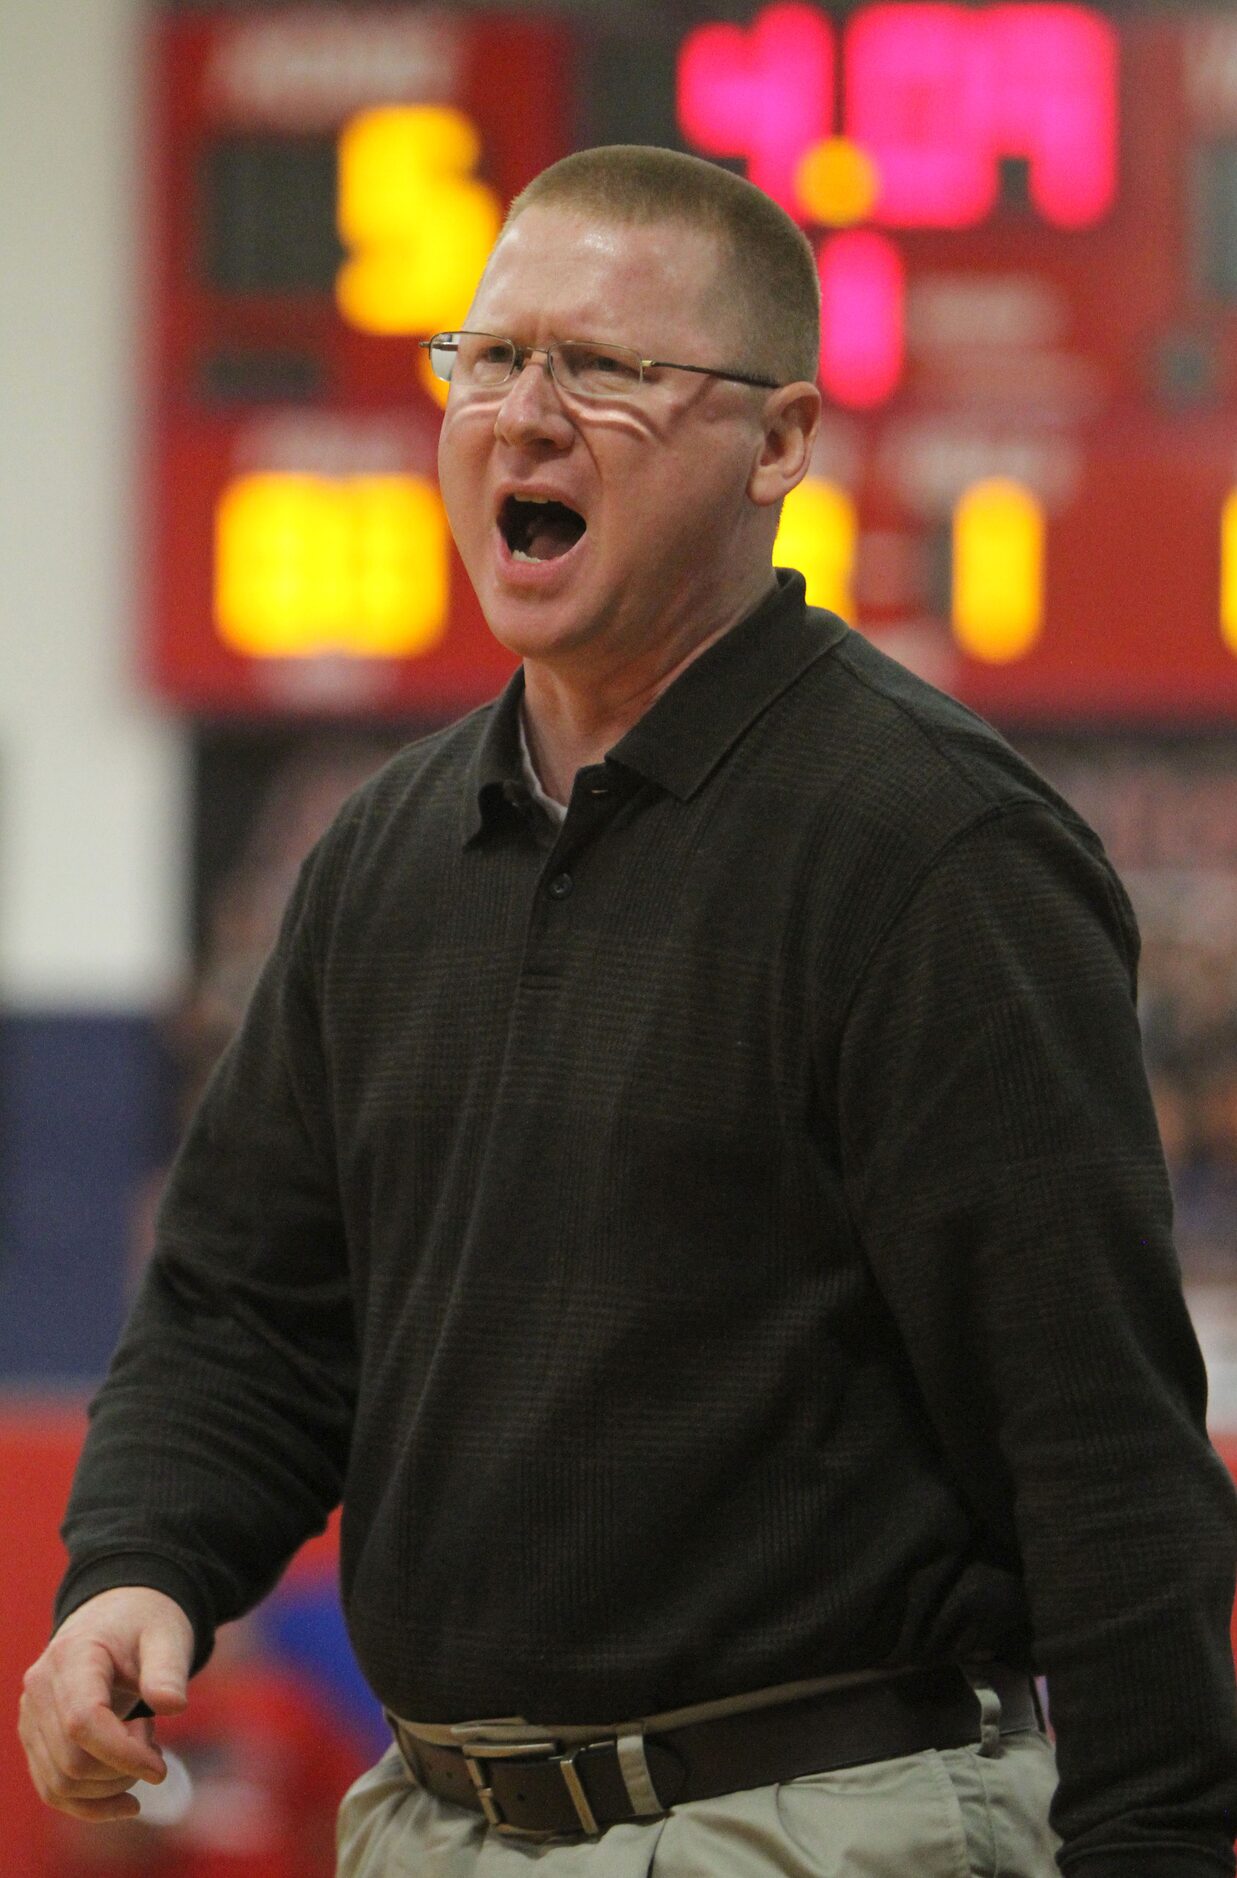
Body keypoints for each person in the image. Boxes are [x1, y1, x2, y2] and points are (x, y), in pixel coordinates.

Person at [19, 145, 1237, 1878]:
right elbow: (247, 1309)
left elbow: (1101, 1444)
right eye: (490, 357)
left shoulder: (933, 851)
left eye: (604, 368)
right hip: (430, 1825)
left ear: (781, 443)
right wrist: (137, 1567)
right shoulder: (380, 856)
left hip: (815, 1824)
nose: (521, 413)